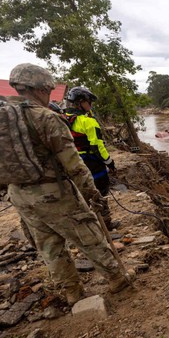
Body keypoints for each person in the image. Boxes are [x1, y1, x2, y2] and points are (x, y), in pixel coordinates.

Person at [4, 63, 131, 304]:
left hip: (18, 194)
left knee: (49, 247)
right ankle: (116, 278)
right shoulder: (46, 117)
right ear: (41, 89)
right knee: (88, 234)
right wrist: (91, 193)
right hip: (54, 191)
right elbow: (73, 164)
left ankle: (72, 291)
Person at [63, 86, 119, 230]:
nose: (91, 105)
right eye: (89, 102)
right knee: (100, 192)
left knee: (80, 195)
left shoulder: (63, 119)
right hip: (92, 163)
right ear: (81, 102)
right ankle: (106, 224)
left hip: (72, 162)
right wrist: (110, 163)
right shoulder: (88, 122)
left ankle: (87, 226)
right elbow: (97, 146)